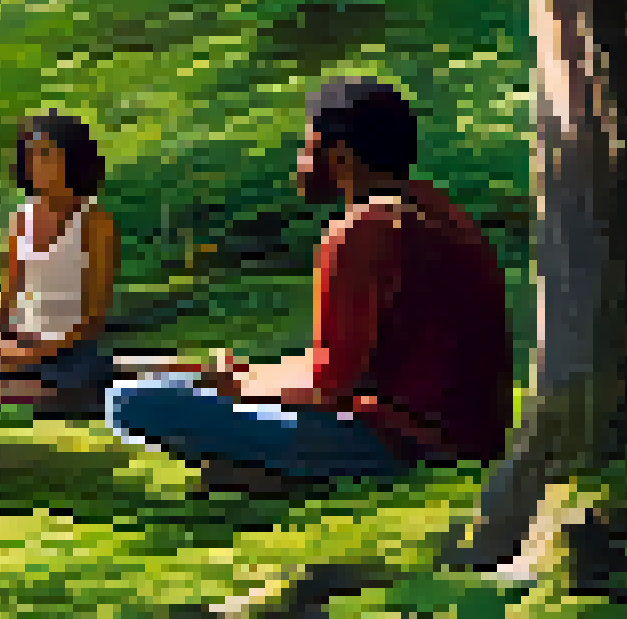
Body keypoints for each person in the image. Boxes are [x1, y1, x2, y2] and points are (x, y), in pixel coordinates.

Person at [105, 78, 513, 494]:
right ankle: (264, 473)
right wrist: (246, 374)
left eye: (306, 148)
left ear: (338, 157)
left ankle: (287, 476)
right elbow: (346, 364)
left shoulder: (358, 232)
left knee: (131, 400)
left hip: (399, 447)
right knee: (187, 389)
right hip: (466, 440)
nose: (299, 163)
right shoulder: (441, 212)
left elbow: (325, 387)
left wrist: (240, 386)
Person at [0, 113, 120, 412]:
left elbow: (93, 315)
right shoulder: (19, 219)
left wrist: (34, 353)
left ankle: (69, 394)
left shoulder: (94, 222)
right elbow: (8, 300)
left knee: (51, 384)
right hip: (21, 342)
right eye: (32, 154)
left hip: (69, 349)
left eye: (47, 153)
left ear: (72, 159)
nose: (36, 162)